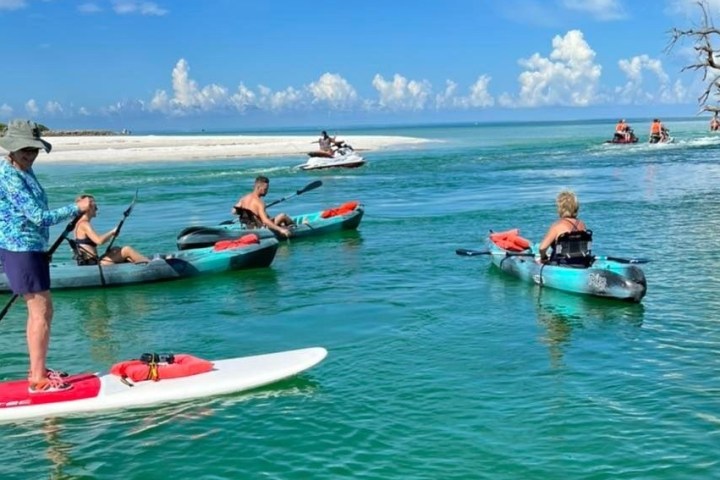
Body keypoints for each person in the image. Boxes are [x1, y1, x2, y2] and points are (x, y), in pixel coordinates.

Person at [0, 119, 93, 393]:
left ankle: (37, 368)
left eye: (34, 149)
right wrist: (75, 208)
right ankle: (38, 379)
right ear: (12, 150)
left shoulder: (25, 172)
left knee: (42, 311)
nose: (30, 155)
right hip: (21, 250)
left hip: (31, 249)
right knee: (40, 312)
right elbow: (39, 217)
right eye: (24, 150)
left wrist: (43, 248)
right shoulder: (10, 177)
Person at [73, 194, 150, 265]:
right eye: (95, 207)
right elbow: (99, 241)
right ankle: (151, 265)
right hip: (93, 264)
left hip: (90, 262)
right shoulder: (84, 224)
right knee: (127, 249)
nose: (97, 209)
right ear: (88, 208)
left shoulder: (78, 223)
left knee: (115, 249)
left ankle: (135, 262)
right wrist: (112, 232)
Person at [538, 190, 589, 264]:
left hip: (561, 264)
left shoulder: (557, 226)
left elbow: (542, 248)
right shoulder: (582, 224)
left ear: (560, 208)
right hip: (581, 263)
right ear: (576, 207)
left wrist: (543, 257)